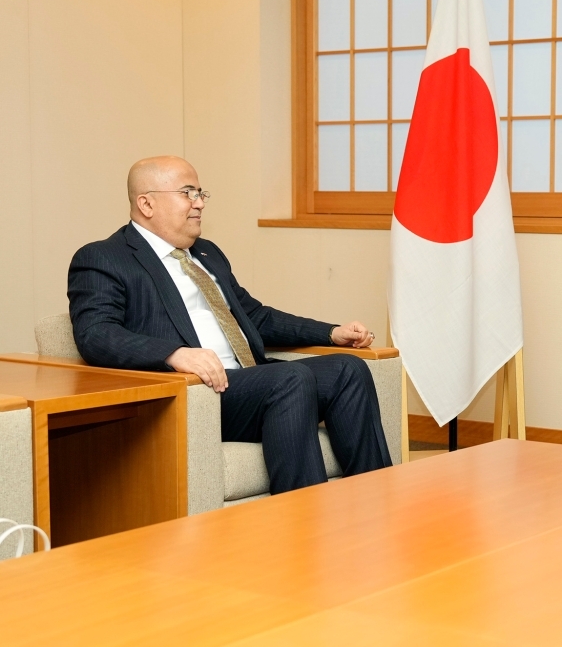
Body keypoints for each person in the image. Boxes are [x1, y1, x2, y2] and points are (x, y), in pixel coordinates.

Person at [68, 156, 392, 494]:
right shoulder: (104, 257)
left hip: (250, 382)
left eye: (201, 192)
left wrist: (329, 333)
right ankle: (302, 525)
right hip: (198, 392)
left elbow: (253, 316)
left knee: (347, 369)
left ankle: (375, 502)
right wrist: (173, 353)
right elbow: (95, 332)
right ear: (146, 203)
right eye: (188, 192)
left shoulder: (206, 253)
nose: (200, 203)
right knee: (290, 378)